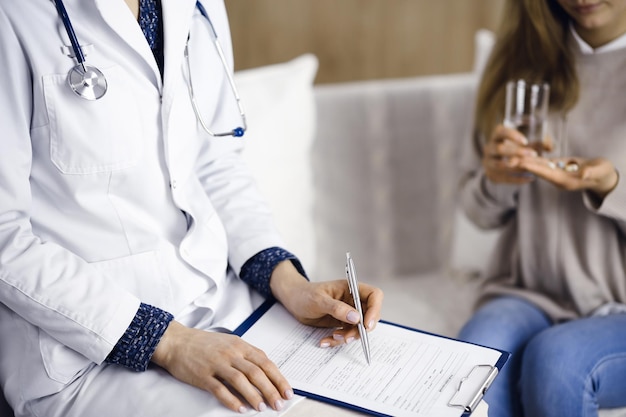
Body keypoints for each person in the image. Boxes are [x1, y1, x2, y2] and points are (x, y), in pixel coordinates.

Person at [0, 0, 384, 416]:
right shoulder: (15, 14)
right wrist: (167, 340)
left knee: (376, 389)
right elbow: (5, 233)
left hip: (223, 308)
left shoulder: (198, 7)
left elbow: (216, 164)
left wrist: (289, 283)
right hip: (88, 351)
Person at [457, 0, 626, 416]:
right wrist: (496, 179)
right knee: (472, 363)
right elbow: (479, 213)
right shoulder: (521, 60)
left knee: (557, 360)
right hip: (527, 291)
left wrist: (611, 185)